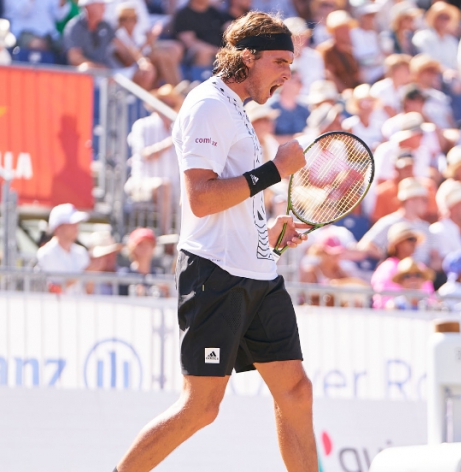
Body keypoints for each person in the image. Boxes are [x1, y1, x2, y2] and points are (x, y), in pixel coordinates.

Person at [113, 13, 316, 472]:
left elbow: (232, 199)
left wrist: (266, 233)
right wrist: (275, 171)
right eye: (280, 61)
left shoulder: (235, 108)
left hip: (258, 273)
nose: (288, 73)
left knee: (296, 391)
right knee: (201, 407)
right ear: (248, 57)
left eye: (291, 64)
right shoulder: (208, 105)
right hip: (215, 275)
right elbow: (202, 199)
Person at [125, 85, 183, 236]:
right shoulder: (142, 125)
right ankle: (165, 236)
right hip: (141, 183)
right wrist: (171, 141)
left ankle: (181, 238)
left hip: (174, 189)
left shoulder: (177, 129)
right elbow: (146, 155)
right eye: (163, 103)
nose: (167, 108)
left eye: (171, 104)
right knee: (164, 186)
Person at [65, 0, 156, 89]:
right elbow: (74, 58)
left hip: (110, 71)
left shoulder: (105, 25)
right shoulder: (74, 27)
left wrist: (142, 61)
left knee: (147, 72)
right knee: (85, 68)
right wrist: (97, 67)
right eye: (100, 5)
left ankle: (135, 100)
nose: (104, 8)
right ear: (89, 7)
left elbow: (125, 49)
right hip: (92, 74)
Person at [360, 177, 436, 266]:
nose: (426, 204)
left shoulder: (425, 227)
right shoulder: (389, 222)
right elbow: (364, 245)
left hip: (422, 273)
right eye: (424, 200)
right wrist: (390, 259)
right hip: (397, 273)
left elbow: (434, 256)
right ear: (411, 200)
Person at [36, 204, 95, 295]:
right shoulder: (45, 254)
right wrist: (83, 273)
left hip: (80, 304)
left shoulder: (81, 252)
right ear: (58, 228)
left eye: (76, 223)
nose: (76, 227)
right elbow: (50, 290)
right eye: (71, 224)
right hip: (55, 304)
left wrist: (91, 272)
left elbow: (89, 292)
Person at [370, 223, 431, 308]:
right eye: (410, 239)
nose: (414, 243)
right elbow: (383, 301)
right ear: (398, 243)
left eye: (415, 239)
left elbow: (430, 298)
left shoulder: (420, 267)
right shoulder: (386, 268)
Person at [317, 10, 361, 92]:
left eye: (347, 28)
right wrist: (345, 91)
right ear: (334, 31)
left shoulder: (349, 52)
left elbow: (357, 75)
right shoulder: (325, 51)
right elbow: (328, 75)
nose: (347, 32)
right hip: (336, 94)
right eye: (343, 29)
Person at [411, 2, 461, 72]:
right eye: (441, 17)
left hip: (452, 76)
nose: (444, 20)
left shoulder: (451, 41)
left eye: (447, 18)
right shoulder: (423, 37)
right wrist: (445, 71)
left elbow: (456, 62)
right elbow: (427, 60)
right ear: (434, 18)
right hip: (430, 73)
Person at [4, 0, 71, 51]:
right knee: (38, 45)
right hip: (22, 33)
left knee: (69, 47)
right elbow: (23, 11)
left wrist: (62, 2)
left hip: (49, 34)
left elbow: (59, 16)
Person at [118, 228, 159, 297]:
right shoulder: (124, 275)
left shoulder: (159, 275)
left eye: (149, 244)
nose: (145, 248)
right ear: (132, 248)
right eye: (140, 244)